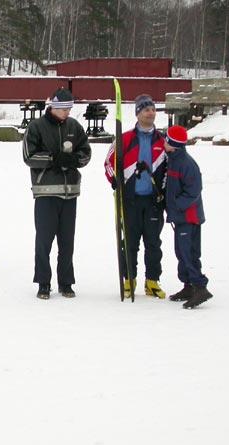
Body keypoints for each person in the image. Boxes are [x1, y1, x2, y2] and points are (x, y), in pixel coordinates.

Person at [23, 88, 91, 300]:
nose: (67, 113)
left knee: (67, 241)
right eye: (64, 109)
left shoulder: (74, 126)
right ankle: (43, 282)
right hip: (45, 193)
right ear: (53, 107)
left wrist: (74, 160)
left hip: (70, 193)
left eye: (70, 109)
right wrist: (53, 159)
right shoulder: (36, 127)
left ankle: (66, 282)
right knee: (44, 240)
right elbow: (28, 156)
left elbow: (86, 152)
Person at [104, 94, 167, 299]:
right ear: (138, 113)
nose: (151, 112)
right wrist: (114, 180)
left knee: (153, 243)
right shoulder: (125, 138)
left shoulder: (162, 140)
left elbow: (171, 168)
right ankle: (129, 278)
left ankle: (152, 281)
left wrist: (166, 193)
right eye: (146, 109)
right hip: (130, 200)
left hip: (153, 201)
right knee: (130, 242)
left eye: (153, 109)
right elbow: (108, 163)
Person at [163, 126, 213, 309]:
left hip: (189, 217)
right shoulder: (174, 160)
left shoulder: (186, 163)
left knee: (188, 252)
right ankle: (188, 286)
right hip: (180, 217)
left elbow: (193, 191)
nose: (163, 143)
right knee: (180, 251)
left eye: (166, 140)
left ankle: (200, 286)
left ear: (173, 145)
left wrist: (176, 206)